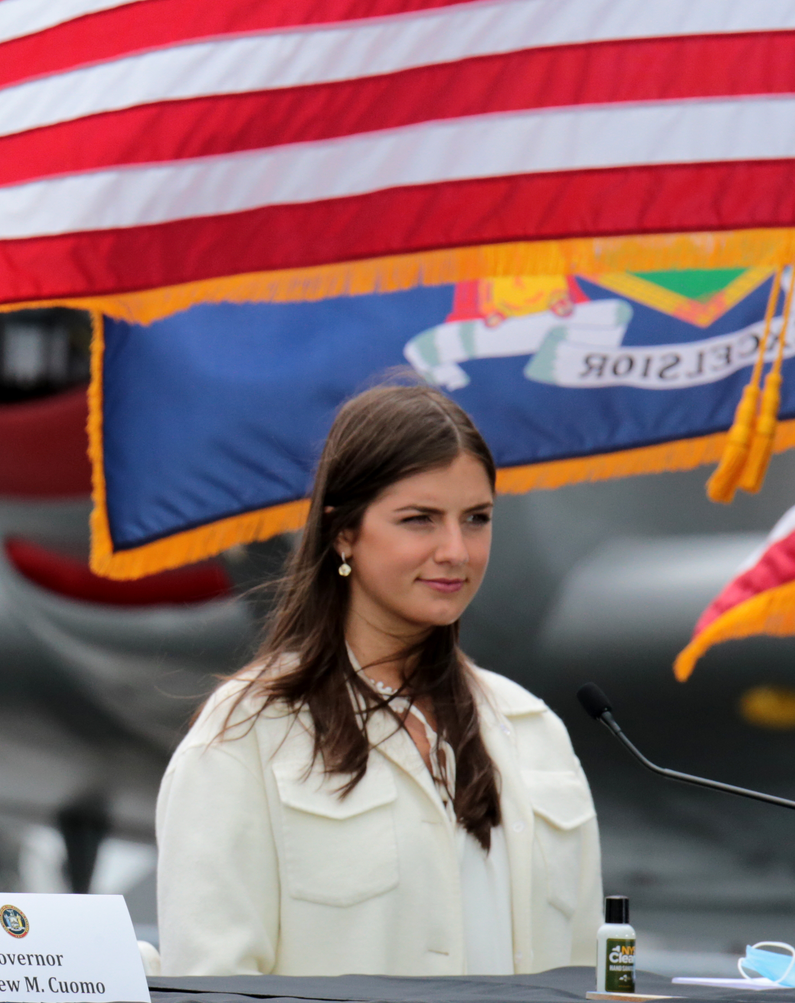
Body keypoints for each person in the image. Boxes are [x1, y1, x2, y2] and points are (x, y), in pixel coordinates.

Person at [155, 384, 601, 976]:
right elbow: (214, 980)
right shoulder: (245, 736)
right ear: (343, 532)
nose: (455, 550)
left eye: (476, 519)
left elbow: (589, 977)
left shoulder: (534, 729)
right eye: (419, 520)